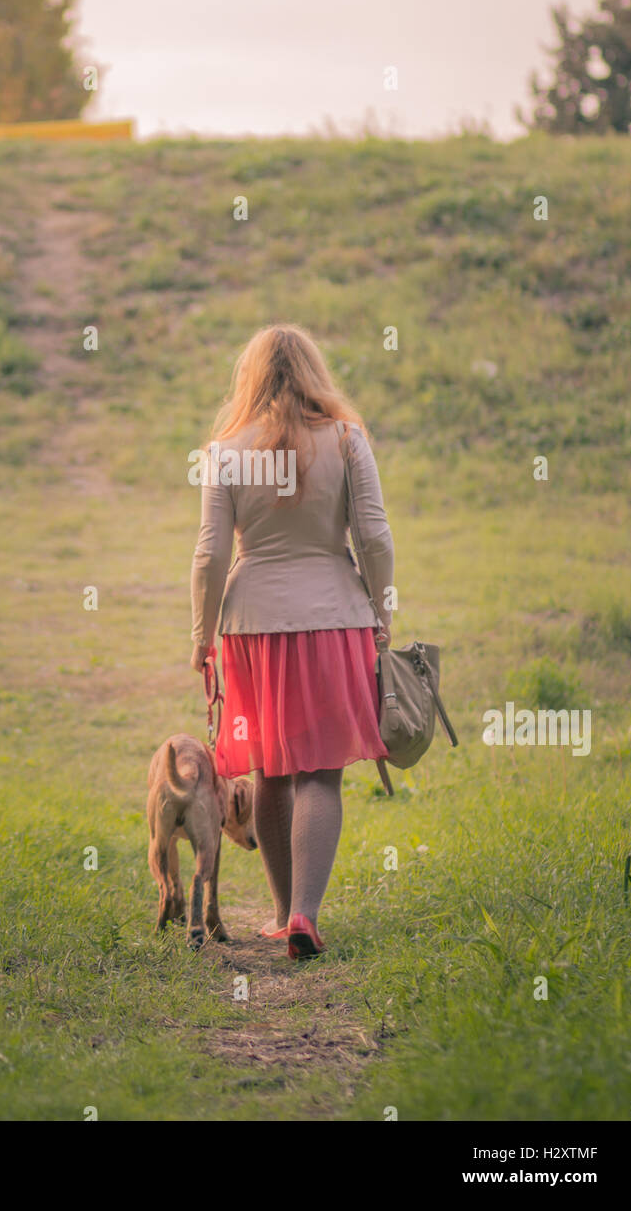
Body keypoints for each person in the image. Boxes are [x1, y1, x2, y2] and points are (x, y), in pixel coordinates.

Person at [190, 324, 395, 959]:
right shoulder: (346, 438)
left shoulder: (225, 451)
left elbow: (210, 554)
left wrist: (201, 635)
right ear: (314, 372)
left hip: (251, 623)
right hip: (335, 614)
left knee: (269, 770)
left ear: (247, 377)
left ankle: (282, 914)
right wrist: (382, 611)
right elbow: (376, 537)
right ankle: (305, 914)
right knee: (320, 775)